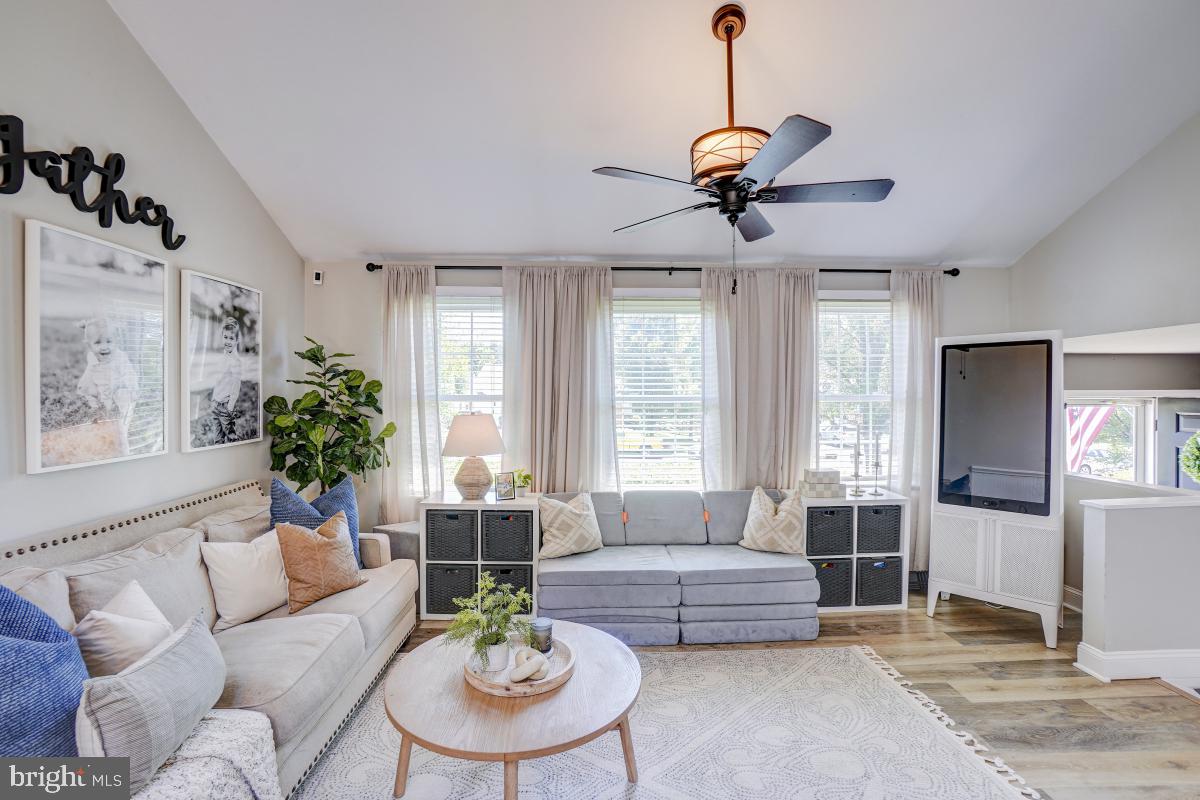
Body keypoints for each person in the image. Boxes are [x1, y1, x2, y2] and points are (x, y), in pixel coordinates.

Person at [76, 317, 138, 454]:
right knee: (101, 417)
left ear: (116, 342)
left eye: (109, 341)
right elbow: (89, 373)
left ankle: (123, 448)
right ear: (89, 345)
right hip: (103, 392)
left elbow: (130, 375)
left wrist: (122, 386)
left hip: (121, 393)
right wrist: (85, 386)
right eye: (98, 343)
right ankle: (100, 421)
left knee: (120, 423)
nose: (104, 346)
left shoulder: (120, 358)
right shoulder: (91, 357)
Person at [210, 316, 244, 444]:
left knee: (231, 438)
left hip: (225, 406)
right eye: (225, 337)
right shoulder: (223, 357)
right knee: (217, 438)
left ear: (237, 340)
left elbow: (236, 385)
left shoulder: (235, 361)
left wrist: (230, 407)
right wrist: (214, 399)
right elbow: (218, 381)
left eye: (231, 338)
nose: (228, 341)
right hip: (216, 403)